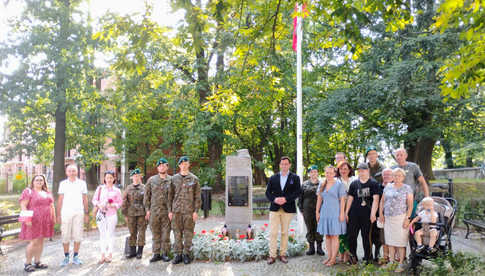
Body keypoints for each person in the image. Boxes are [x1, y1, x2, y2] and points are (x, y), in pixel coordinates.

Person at [265, 156, 302, 265]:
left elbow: (297, 192)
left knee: (285, 232)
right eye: (282, 164)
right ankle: (272, 255)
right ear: (280, 165)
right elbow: (267, 193)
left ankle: (283, 254)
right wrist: (275, 199)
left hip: (288, 208)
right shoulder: (273, 178)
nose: (284, 166)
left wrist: (285, 199)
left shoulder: (295, 178)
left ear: (289, 165)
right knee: (273, 232)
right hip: (275, 208)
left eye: (286, 164)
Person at [379, 168, 413, 273]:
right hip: (388, 218)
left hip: (401, 218)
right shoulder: (388, 187)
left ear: (403, 177)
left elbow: (410, 206)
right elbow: (382, 201)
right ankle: (391, 262)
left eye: (399, 175)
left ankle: (400, 263)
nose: (397, 177)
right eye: (395, 175)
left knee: (400, 242)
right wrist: (381, 214)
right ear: (392, 176)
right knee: (390, 242)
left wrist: (407, 219)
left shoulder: (407, 188)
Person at [168, 156, 201, 265]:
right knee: (177, 233)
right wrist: (170, 211)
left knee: (188, 233)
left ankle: (186, 254)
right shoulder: (173, 179)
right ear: (179, 165)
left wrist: (196, 211)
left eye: (186, 163)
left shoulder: (194, 179)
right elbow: (170, 196)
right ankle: (178, 254)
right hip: (176, 211)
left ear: (189, 164)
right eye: (182, 163)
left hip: (189, 211)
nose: (184, 165)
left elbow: (197, 197)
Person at [19, 175, 55, 272]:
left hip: (45, 221)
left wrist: (53, 218)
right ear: (33, 182)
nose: (39, 181)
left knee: (41, 241)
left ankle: (37, 261)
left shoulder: (47, 192)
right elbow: (23, 205)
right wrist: (27, 219)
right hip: (33, 221)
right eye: (37, 180)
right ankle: (27, 263)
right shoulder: (28, 191)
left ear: (44, 182)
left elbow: (51, 206)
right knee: (34, 242)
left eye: (41, 180)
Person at [345, 163, 380, 264]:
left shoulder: (373, 183)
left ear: (368, 171)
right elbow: (350, 199)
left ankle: (368, 258)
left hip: (367, 215)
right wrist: (346, 212)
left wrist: (373, 214)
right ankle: (353, 257)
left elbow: (376, 200)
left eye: (363, 170)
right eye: (359, 171)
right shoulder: (354, 184)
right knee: (352, 236)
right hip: (354, 214)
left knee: (366, 237)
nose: (361, 172)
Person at [57, 164, 89, 266]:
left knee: (78, 235)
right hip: (65, 212)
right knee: (65, 235)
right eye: (70, 171)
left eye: (74, 171)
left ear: (77, 172)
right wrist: (58, 214)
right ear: (66, 172)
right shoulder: (63, 184)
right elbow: (60, 200)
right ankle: (66, 257)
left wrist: (87, 213)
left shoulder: (82, 183)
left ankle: (75, 256)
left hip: (79, 212)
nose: (72, 173)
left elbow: (85, 199)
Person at [316, 166, 347, 267]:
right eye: (326, 173)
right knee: (327, 236)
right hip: (325, 213)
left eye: (330, 173)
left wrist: (342, 213)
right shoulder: (322, 184)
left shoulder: (339, 184)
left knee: (334, 236)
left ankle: (334, 258)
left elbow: (343, 200)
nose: (328, 174)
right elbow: (319, 199)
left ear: (334, 173)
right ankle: (329, 257)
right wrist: (317, 212)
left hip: (335, 213)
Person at [144, 158, 173, 263]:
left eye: (164, 165)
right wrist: (147, 210)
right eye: (160, 166)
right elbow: (146, 196)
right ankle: (156, 253)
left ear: (167, 167)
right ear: (157, 168)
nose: (162, 167)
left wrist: (171, 211)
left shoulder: (171, 180)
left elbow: (174, 197)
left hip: (166, 212)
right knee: (155, 234)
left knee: (166, 234)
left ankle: (165, 253)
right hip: (154, 211)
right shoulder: (151, 180)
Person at [92, 170, 122, 264]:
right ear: (104, 178)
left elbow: (120, 202)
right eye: (107, 177)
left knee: (110, 234)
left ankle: (110, 254)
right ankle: (102, 254)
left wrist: (114, 205)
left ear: (114, 179)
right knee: (102, 234)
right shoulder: (100, 189)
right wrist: (98, 205)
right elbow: (94, 200)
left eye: (111, 177)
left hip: (112, 214)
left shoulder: (117, 190)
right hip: (100, 214)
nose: (109, 179)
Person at [392, 148, 430, 217]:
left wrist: (427, 198)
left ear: (406, 156)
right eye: (397, 155)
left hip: (412, 199)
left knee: (411, 220)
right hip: (397, 202)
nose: (399, 157)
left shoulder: (413, 166)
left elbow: (423, 182)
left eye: (401, 155)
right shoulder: (392, 168)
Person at [121, 168, 147, 259]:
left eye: (138, 176)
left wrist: (148, 212)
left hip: (142, 213)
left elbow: (147, 201)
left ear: (140, 177)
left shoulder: (144, 187)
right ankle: (132, 252)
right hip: (131, 213)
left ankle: (140, 252)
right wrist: (124, 214)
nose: (136, 178)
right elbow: (124, 201)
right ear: (132, 177)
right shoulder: (128, 188)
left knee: (141, 232)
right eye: (134, 176)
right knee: (132, 232)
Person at [298, 165, 324, 256]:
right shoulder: (304, 184)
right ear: (309, 174)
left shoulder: (322, 184)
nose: (313, 173)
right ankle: (311, 247)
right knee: (309, 228)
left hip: (319, 210)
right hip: (307, 210)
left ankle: (319, 247)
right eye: (311, 172)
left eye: (315, 171)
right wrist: (301, 209)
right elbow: (300, 197)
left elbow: (324, 198)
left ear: (317, 173)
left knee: (319, 228)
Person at [366, 146, 384, 262]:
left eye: (374, 153)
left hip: (378, 201)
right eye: (369, 154)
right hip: (367, 201)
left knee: (377, 229)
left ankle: (377, 252)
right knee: (367, 229)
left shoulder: (382, 168)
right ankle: (369, 253)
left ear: (377, 155)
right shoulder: (365, 167)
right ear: (367, 156)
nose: (372, 156)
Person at [335, 161, 355, 263]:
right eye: (341, 169)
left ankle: (348, 253)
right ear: (338, 170)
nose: (343, 170)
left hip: (351, 208)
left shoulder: (354, 180)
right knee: (341, 232)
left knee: (349, 232)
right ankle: (341, 253)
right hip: (339, 209)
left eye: (346, 169)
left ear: (349, 170)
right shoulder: (336, 181)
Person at [377, 168, 393, 265]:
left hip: (393, 216)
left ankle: (394, 257)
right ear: (382, 176)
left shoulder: (396, 186)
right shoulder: (378, 187)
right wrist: (379, 214)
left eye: (389, 174)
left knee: (393, 237)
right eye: (385, 174)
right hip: (381, 216)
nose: (386, 176)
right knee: (383, 238)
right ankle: (385, 256)